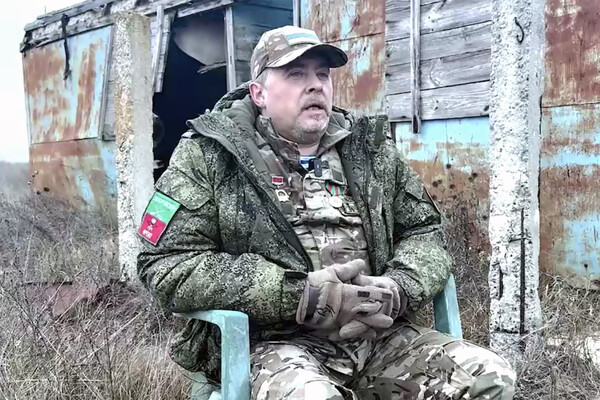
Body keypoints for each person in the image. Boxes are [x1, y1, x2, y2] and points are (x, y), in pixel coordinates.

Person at [137, 25, 515, 400]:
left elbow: (425, 231)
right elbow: (166, 265)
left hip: (379, 338)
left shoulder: (369, 148)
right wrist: (298, 294)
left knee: (490, 378)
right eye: (295, 74)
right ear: (259, 93)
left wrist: (398, 287)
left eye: (322, 74)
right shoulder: (210, 154)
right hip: (273, 345)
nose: (315, 85)